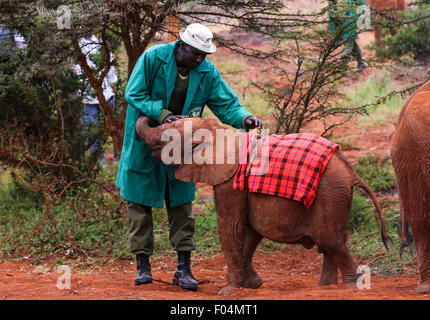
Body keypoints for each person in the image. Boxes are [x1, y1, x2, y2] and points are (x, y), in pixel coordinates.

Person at [116, 23, 263, 291]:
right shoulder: (152, 58)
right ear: (181, 47)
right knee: (139, 204)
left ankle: (183, 268)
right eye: (195, 54)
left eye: (203, 55)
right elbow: (133, 94)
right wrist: (161, 115)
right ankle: (143, 267)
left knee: (182, 203)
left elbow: (225, 103)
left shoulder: (206, 71)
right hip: (145, 141)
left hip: (183, 146)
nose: (199, 60)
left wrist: (245, 117)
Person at [73, 36, 119, 163]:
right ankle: (103, 161)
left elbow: (110, 69)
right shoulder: (97, 45)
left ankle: (104, 160)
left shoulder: (99, 45)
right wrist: (112, 82)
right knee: (100, 129)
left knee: (110, 127)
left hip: (103, 95)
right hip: (93, 97)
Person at [329, 0, 367, 72]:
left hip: (349, 24)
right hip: (342, 25)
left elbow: (362, 7)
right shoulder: (334, 3)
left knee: (348, 46)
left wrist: (359, 20)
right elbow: (333, 14)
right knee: (353, 46)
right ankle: (361, 63)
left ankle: (343, 67)